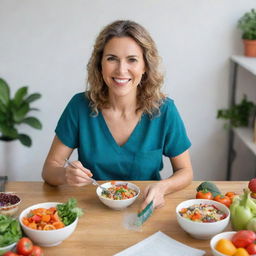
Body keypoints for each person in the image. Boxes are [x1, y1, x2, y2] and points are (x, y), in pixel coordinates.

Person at [42, 20, 193, 211]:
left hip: (145, 209)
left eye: (132, 59)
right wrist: (65, 175)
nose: (121, 70)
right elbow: (49, 169)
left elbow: (185, 171)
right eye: (112, 58)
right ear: (100, 64)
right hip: (90, 210)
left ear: (145, 66)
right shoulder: (79, 106)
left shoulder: (164, 110)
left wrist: (163, 187)